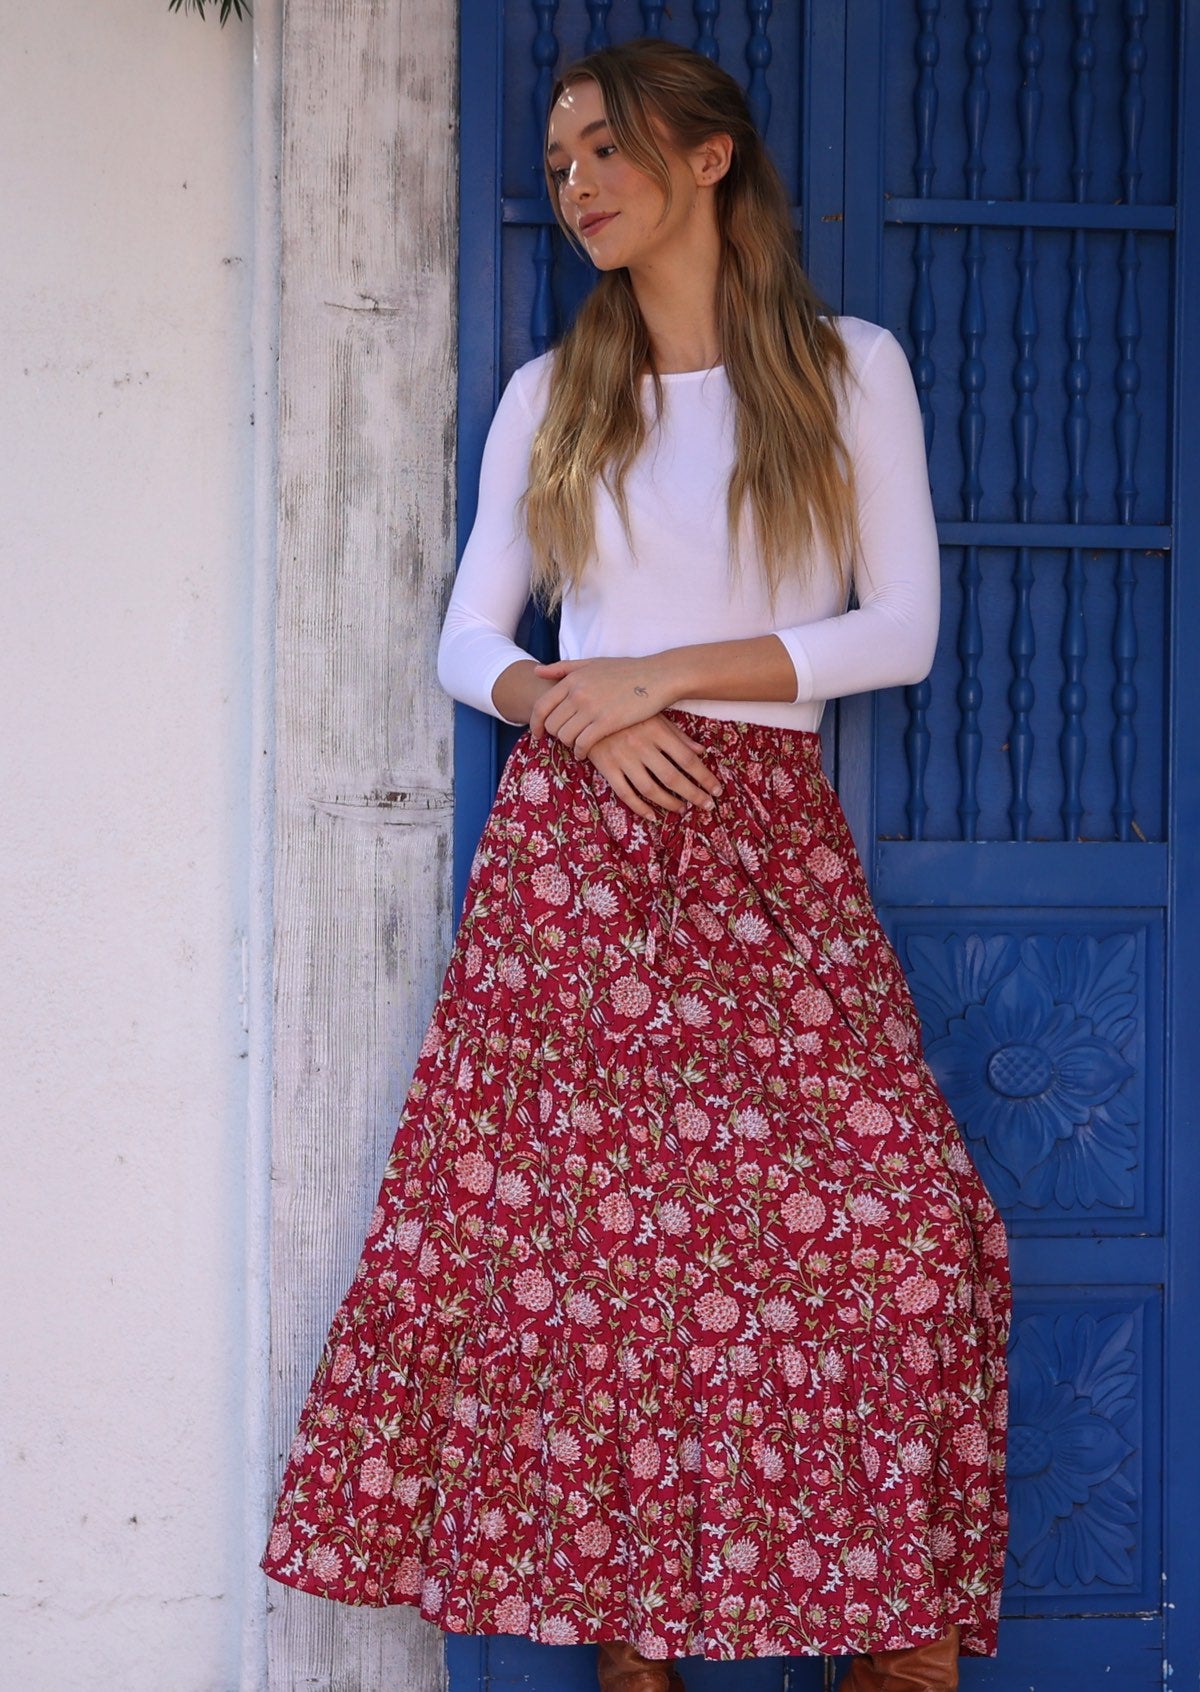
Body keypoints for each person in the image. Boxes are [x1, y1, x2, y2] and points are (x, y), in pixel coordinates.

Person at [260, 37, 1011, 1692]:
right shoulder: (555, 391)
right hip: (580, 856)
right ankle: (638, 1653)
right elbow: (470, 637)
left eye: (606, 149)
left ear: (710, 158)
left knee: (900, 1232)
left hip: (765, 841)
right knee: (591, 1265)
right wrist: (573, 712)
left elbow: (898, 632)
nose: (579, 183)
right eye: (555, 166)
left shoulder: (844, 365)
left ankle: (891, 1640)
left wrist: (654, 677)